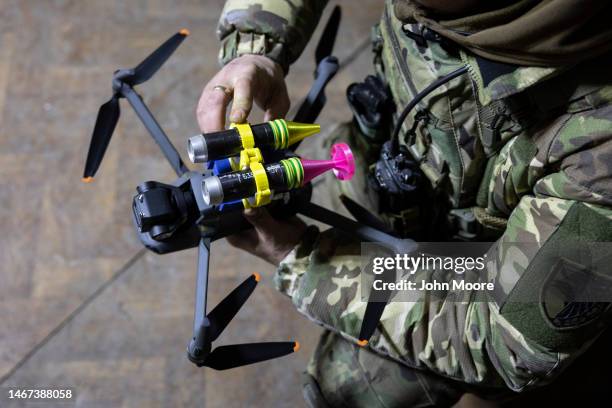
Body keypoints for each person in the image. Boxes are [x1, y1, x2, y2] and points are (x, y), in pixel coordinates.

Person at [196, 0, 612, 406]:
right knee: (311, 186)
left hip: (483, 265)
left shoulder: (600, 143)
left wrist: (304, 263)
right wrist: (255, 49)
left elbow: (505, 340)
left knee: (350, 387)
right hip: (399, 168)